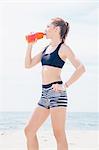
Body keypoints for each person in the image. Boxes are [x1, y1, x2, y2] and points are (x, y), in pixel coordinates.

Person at [24, 17, 86, 150]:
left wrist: (65, 85)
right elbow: (28, 65)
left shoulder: (63, 48)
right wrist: (30, 45)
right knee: (29, 130)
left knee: (58, 134)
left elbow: (81, 68)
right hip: (44, 93)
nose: (45, 29)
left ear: (56, 29)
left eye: (48, 27)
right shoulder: (46, 49)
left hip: (57, 94)